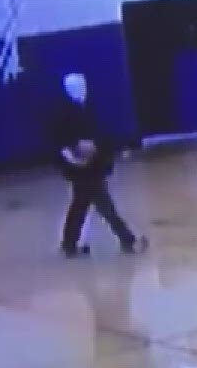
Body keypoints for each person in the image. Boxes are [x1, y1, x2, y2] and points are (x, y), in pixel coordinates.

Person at [50, 72, 146, 258]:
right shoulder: (63, 113)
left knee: (81, 205)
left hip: (93, 165)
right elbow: (59, 142)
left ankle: (69, 245)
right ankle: (128, 240)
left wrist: (99, 147)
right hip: (80, 169)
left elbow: (100, 135)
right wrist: (74, 154)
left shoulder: (88, 108)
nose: (81, 89)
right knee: (103, 206)